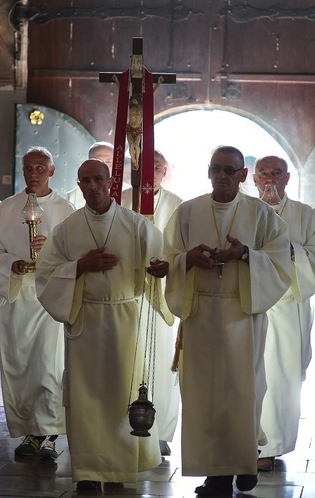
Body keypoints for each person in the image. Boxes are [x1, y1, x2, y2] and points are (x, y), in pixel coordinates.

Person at [35, 159, 172, 492]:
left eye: (98, 179)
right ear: (79, 185)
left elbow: (162, 262)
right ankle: (88, 471)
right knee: (85, 400)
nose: (92, 186)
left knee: (120, 397)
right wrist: (81, 265)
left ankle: (120, 470)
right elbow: (45, 275)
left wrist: (160, 270)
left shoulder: (136, 224)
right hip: (84, 321)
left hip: (125, 321)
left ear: (110, 182)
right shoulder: (67, 228)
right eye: (85, 180)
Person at [163, 145, 291, 495]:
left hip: (242, 315)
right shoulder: (188, 212)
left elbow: (280, 261)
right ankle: (215, 474)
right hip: (201, 313)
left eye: (230, 170)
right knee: (202, 397)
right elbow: (169, 255)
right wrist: (186, 260)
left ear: (242, 175)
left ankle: (243, 462)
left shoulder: (261, 215)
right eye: (216, 169)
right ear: (208, 172)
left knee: (242, 393)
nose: (222, 175)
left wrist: (247, 254)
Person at [0, 147, 74, 462]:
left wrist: (52, 250)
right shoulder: (6, 209)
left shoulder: (66, 210)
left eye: (40, 167)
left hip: (51, 297)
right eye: (28, 167)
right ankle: (30, 430)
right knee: (19, 366)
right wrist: (13, 264)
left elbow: (76, 253)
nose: (33, 173)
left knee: (47, 366)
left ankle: (47, 433)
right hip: (18, 295)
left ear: (52, 171)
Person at [251, 155, 315, 471]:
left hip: (287, 307)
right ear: (254, 178)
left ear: (287, 178)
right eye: (264, 173)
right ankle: (243, 443)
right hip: (248, 305)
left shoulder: (305, 215)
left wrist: (291, 252)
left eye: (277, 173)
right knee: (247, 377)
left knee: (280, 377)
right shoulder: (243, 212)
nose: (270, 178)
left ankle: (270, 445)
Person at [120, 150, 183, 455]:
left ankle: (161, 431)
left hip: (161, 295)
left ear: (165, 170)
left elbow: (180, 246)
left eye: (156, 167)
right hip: (126, 292)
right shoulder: (118, 200)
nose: (150, 173)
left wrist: (166, 263)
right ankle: (125, 425)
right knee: (129, 360)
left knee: (160, 359)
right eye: (143, 167)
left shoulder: (177, 205)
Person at [64, 141, 115, 209]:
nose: (102, 166)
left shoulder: (129, 193)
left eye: (108, 161)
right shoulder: (71, 198)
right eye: (98, 160)